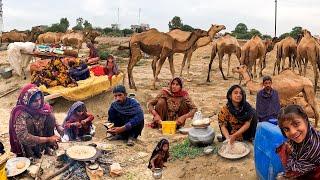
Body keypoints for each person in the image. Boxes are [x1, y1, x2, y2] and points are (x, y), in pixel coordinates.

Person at [9, 84, 63, 158]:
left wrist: (58, 126)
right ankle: (33, 153)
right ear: (27, 101)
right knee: (29, 123)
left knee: (50, 116)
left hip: (41, 133)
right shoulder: (21, 113)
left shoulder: (42, 106)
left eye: (39, 99)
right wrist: (48, 139)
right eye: (35, 101)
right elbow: (24, 136)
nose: (39, 103)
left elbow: (51, 115)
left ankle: (47, 146)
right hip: (30, 140)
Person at [276, 105, 320, 179]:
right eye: (286, 129)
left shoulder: (313, 148)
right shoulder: (307, 132)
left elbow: (294, 169)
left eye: (296, 124)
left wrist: (288, 154)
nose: (292, 132)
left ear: (305, 119)